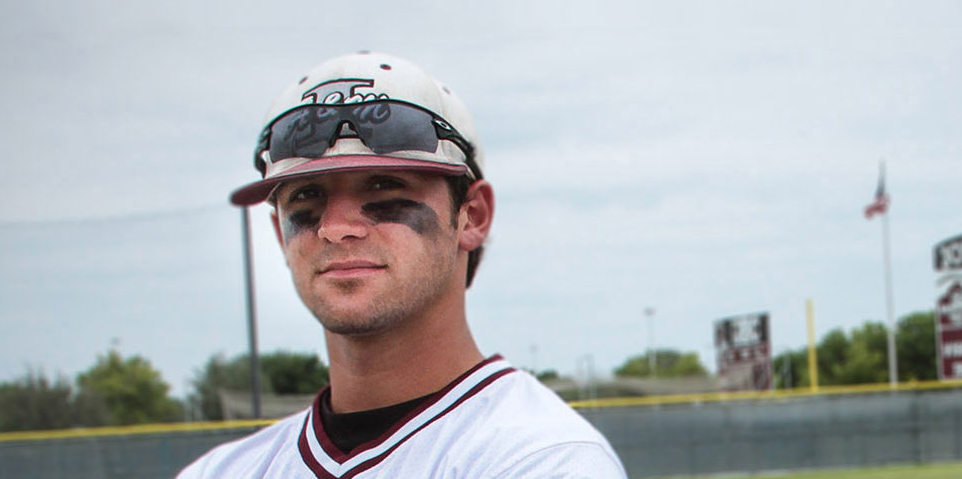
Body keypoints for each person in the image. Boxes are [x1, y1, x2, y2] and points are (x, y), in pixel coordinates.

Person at [179, 52, 626, 478]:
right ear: (280, 234)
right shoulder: (220, 471)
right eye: (307, 195)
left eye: (383, 186)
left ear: (472, 216)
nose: (335, 227)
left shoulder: (541, 460)